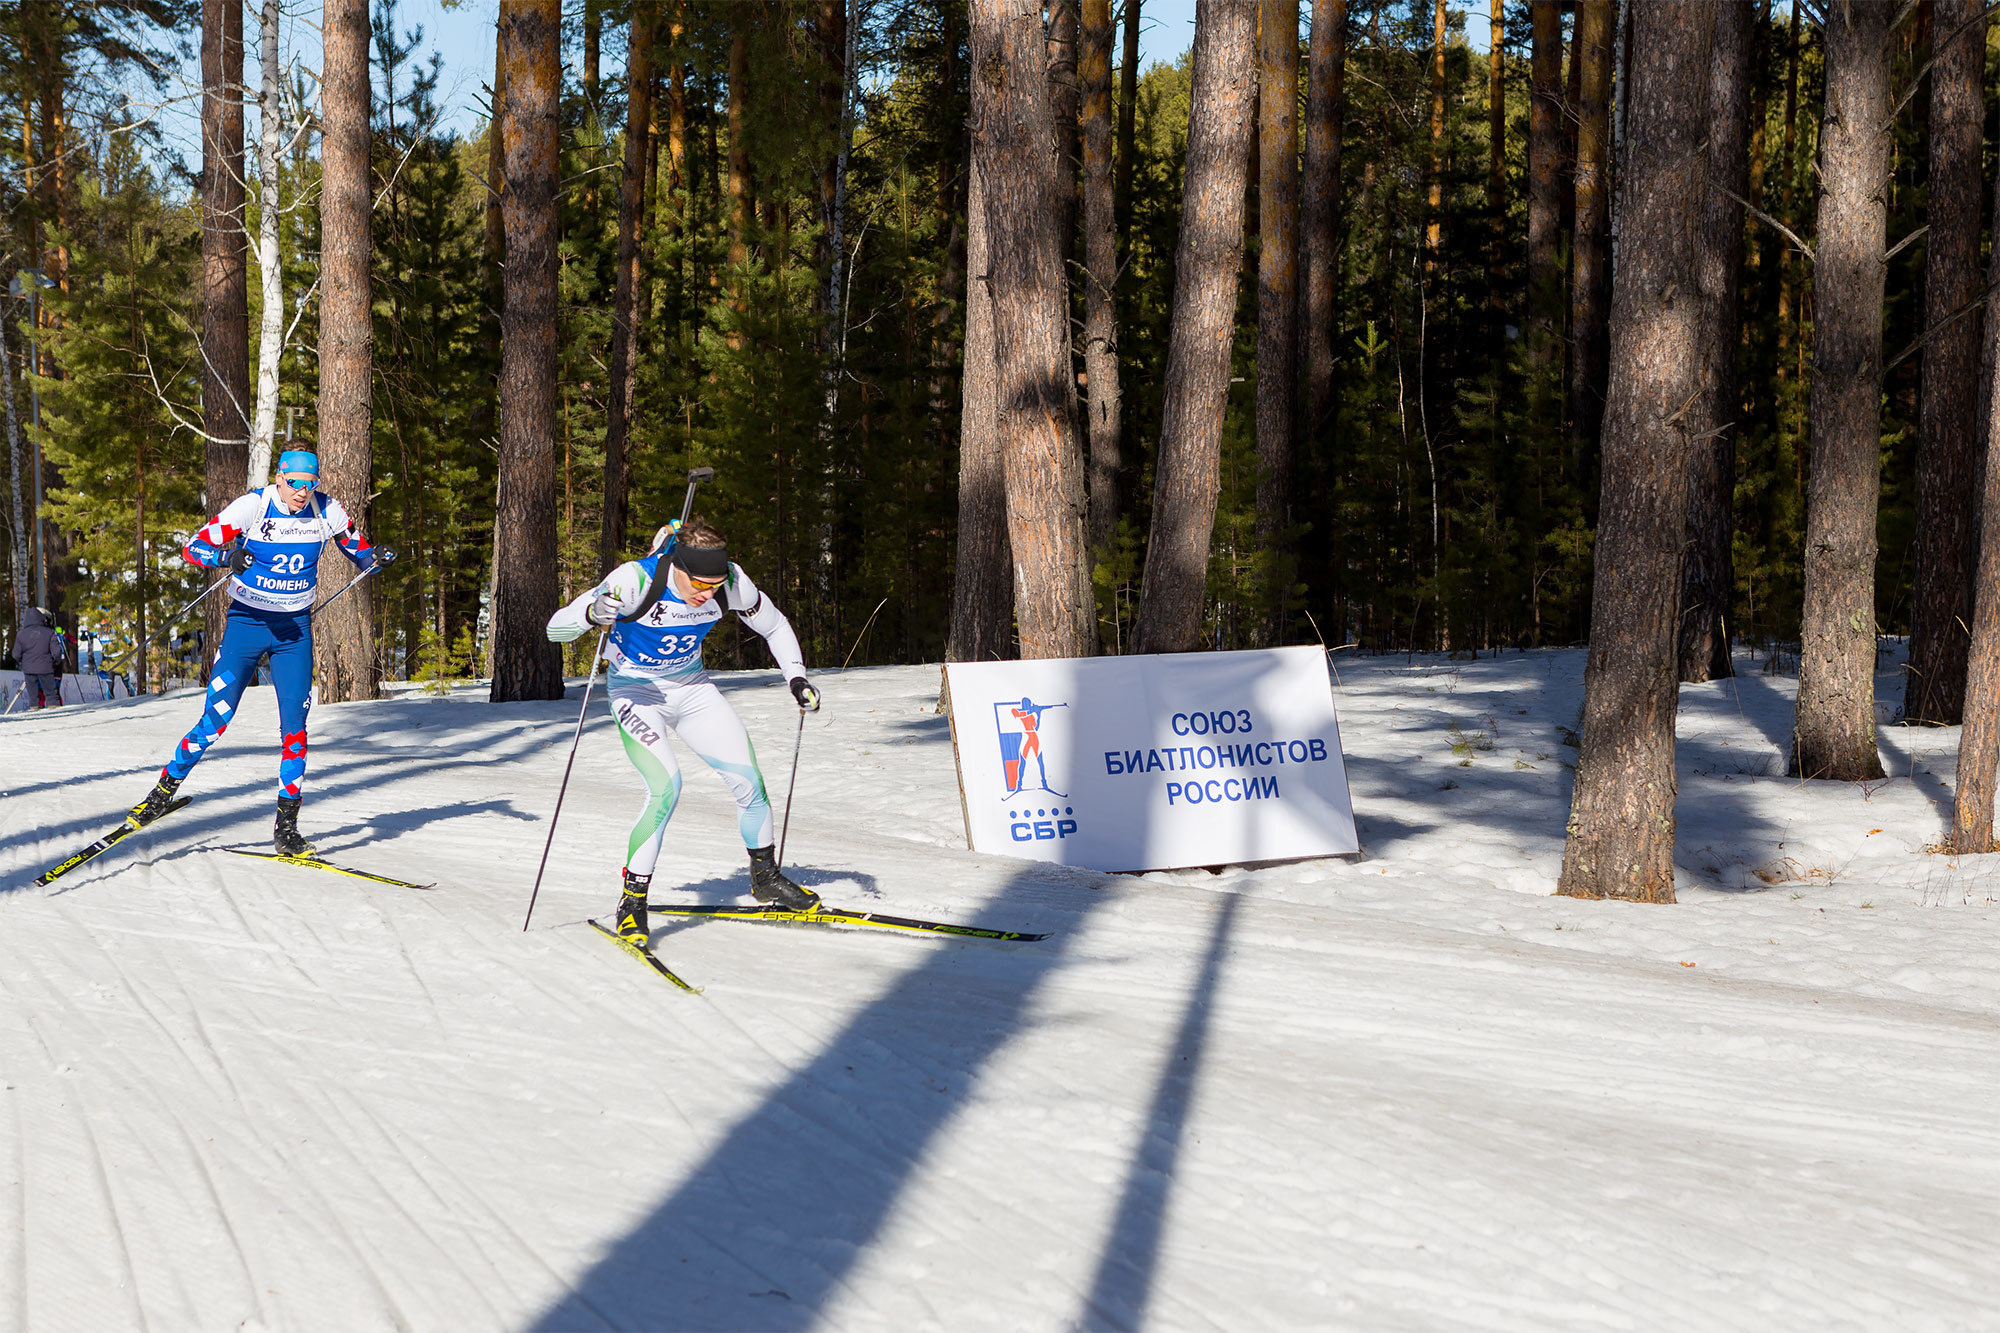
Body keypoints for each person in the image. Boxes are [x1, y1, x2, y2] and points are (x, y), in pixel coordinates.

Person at [546, 516, 822, 939]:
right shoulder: (634, 580)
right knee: (665, 788)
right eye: (698, 585)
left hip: (692, 689)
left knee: (750, 782)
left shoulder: (731, 580)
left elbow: (774, 625)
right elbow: (555, 630)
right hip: (637, 693)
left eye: (713, 586)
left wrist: (797, 677)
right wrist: (591, 612)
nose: (706, 595)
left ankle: (764, 876)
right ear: (677, 565)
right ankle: (632, 901)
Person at [127, 449, 393, 852]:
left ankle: (286, 827)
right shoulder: (253, 506)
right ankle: (160, 795)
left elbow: (359, 551)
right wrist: (225, 556)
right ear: (280, 477)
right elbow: (192, 547)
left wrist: (376, 557)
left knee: (295, 733)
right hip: (246, 627)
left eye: (310, 484)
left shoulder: (327, 511)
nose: (302, 492)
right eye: (295, 483)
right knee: (214, 722)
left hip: (293, 633)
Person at [14, 606, 66, 708]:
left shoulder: (21, 634)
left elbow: (16, 654)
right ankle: (54, 710)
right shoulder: (50, 632)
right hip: (46, 667)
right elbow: (56, 652)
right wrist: (55, 662)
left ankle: (34, 710)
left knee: (34, 697)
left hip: (28, 669)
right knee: (51, 695)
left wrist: (24, 661)